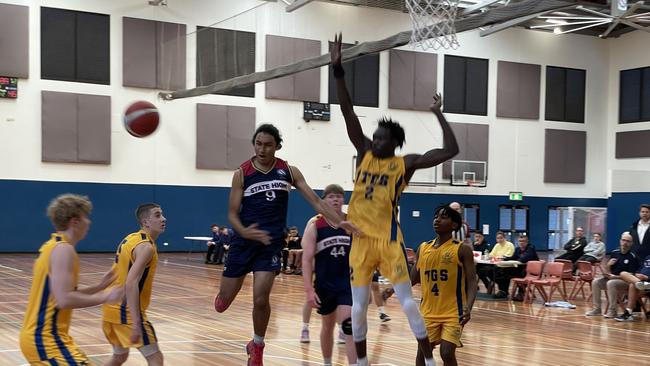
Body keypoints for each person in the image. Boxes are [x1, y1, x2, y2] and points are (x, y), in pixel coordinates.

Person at [331, 33, 459, 366]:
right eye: (374, 136)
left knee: (406, 302)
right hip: (359, 241)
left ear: (394, 144)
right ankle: (360, 363)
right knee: (358, 308)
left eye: (381, 138)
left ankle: (428, 362)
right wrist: (338, 70)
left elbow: (450, 151)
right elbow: (347, 112)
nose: (374, 140)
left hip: (388, 241)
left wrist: (438, 113)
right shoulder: (363, 154)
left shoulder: (405, 164)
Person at [212, 123, 358, 366]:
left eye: (268, 144)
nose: (262, 149)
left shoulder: (289, 172)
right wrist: (244, 231)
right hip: (243, 243)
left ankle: (257, 345)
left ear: (277, 146)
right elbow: (232, 214)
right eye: (258, 144)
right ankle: (226, 299)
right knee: (222, 303)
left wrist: (340, 222)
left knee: (261, 298)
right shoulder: (242, 173)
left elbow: (316, 202)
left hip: (269, 244)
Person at [20, 194, 124, 365]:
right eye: (86, 217)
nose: (88, 222)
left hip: (44, 337)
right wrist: (105, 297)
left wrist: (100, 286)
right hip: (45, 339)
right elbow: (64, 300)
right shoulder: (64, 250)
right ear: (74, 222)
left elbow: (62, 294)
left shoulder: (52, 245)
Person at [411, 205, 477, 366]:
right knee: (423, 352)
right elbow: (413, 278)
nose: (437, 220)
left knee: (446, 352)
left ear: (454, 225)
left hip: (454, 312)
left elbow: (472, 282)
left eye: (443, 217)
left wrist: (468, 307)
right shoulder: (423, 248)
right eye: (436, 216)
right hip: (428, 311)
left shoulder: (462, 249)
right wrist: (393, 288)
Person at [103, 203, 166, 366]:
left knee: (119, 357)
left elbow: (111, 274)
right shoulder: (146, 247)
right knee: (155, 358)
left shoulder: (129, 239)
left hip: (110, 310)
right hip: (127, 313)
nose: (163, 219)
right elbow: (131, 283)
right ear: (146, 222)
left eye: (162, 214)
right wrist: (137, 323)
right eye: (158, 215)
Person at [302, 184, 357, 366]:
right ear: (324, 200)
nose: (335, 199)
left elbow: (364, 254)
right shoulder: (315, 225)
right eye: (331, 196)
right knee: (327, 326)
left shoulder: (351, 223)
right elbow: (307, 260)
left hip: (346, 284)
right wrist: (309, 291)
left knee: (349, 326)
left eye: (339, 196)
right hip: (324, 284)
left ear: (344, 200)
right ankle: (327, 362)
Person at [585, 232, 638, 318]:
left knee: (611, 283)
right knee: (595, 282)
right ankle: (597, 309)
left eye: (628, 241)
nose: (625, 243)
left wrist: (615, 277)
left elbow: (632, 275)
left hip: (625, 282)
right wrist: (608, 267)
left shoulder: (632, 256)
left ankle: (612, 311)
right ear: (620, 241)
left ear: (631, 243)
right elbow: (609, 270)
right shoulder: (614, 253)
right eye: (623, 240)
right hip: (612, 278)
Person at [493, 235, 539, 300]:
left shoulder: (531, 248)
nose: (521, 243)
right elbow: (513, 257)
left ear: (527, 242)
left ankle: (521, 293)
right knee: (503, 270)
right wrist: (504, 259)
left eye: (523, 241)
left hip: (531, 271)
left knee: (523, 273)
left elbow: (523, 259)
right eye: (520, 241)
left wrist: (518, 258)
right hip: (520, 268)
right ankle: (503, 291)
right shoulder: (517, 249)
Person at [615, 253, 650, 322]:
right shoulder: (648, 257)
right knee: (623, 273)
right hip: (641, 282)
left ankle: (628, 313)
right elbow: (640, 269)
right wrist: (637, 274)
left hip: (648, 281)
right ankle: (642, 284)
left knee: (632, 285)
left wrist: (647, 277)